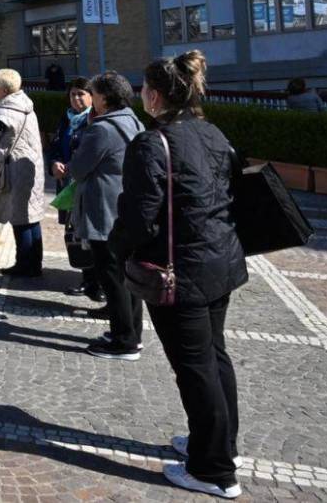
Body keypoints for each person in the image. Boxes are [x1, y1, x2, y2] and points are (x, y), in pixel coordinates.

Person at [109, 51, 247, 499]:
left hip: (180, 271)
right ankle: (220, 445)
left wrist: (117, 250)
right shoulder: (211, 131)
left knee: (195, 366)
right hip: (220, 260)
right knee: (214, 356)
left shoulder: (152, 143)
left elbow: (138, 216)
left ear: (153, 95)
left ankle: (213, 470)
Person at [66, 72, 145, 360]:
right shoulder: (133, 121)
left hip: (104, 210)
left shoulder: (102, 129)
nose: (92, 98)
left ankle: (124, 341)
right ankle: (131, 332)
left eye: (95, 93)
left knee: (112, 275)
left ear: (105, 98)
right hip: (125, 207)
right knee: (127, 276)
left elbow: (79, 169)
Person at [0, 69, 44, 277]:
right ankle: (35, 264)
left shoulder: (4, 113)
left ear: (4, 90)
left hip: (14, 170)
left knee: (20, 219)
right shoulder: (26, 106)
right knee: (32, 217)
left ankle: (24, 265)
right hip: (30, 168)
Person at [50, 78, 103, 302]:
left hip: (89, 187)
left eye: (81, 94)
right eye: (73, 94)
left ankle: (100, 283)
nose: (76, 98)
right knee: (76, 232)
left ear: (92, 96)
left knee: (93, 234)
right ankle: (87, 279)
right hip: (68, 185)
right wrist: (54, 163)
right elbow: (55, 146)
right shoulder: (66, 119)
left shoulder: (96, 120)